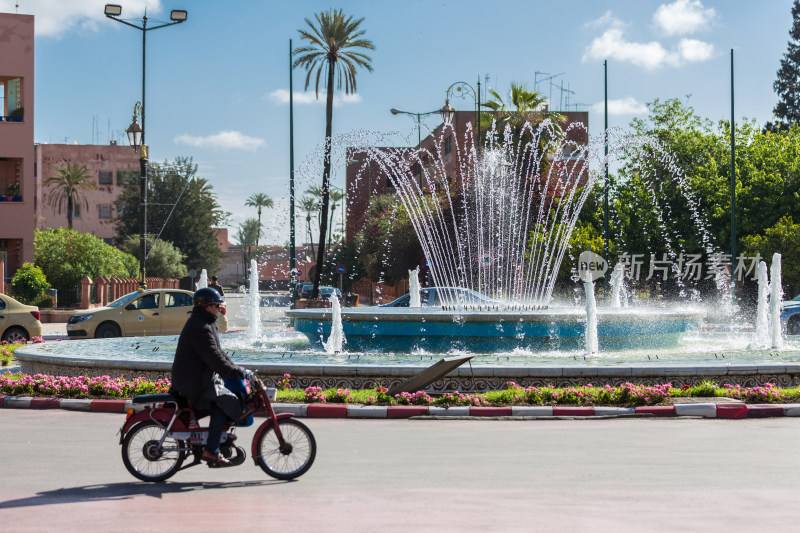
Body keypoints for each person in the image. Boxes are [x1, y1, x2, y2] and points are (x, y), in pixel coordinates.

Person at [171, 287, 251, 465]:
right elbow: (212, 357)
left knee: (224, 399)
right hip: (191, 384)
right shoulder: (200, 327)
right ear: (207, 306)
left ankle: (214, 444)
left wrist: (236, 369)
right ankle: (211, 451)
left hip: (196, 379)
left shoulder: (206, 323)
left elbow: (219, 354)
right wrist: (232, 371)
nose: (219, 310)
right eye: (217, 306)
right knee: (222, 405)